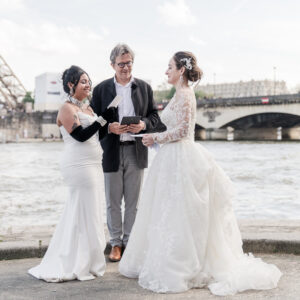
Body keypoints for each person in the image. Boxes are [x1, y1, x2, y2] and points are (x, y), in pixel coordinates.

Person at [119, 52, 282, 296]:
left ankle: (181, 263)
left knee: (180, 213)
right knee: (167, 211)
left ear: (181, 70)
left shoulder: (185, 95)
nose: (166, 71)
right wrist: (150, 133)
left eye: (169, 67)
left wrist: (156, 137)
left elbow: (184, 131)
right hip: (171, 158)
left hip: (181, 158)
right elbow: (173, 126)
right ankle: (166, 256)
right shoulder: (179, 94)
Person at [28, 65, 115, 282]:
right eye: (83, 81)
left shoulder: (87, 109)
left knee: (91, 210)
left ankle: (89, 260)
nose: (88, 85)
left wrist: (109, 123)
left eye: (89, 81)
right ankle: (77, 261)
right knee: (84, 210)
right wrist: (103, 119)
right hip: (78, 165)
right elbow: (81, 135)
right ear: (71, 85)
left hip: (94, 164)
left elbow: (98, 134)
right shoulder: (66, 109)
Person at [90, 44, 166, 262]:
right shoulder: (102, 89)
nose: (125, 67)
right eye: (121, 64)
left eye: (129, 63)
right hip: (111, 151)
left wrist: (143, 124)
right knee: (112, 201)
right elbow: (94, 120)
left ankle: (130, 242)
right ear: (112, 64)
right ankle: (115, 243)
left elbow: (154, 117)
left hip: (137, 149)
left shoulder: (144, 87)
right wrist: (108, 127)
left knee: (134, 202)